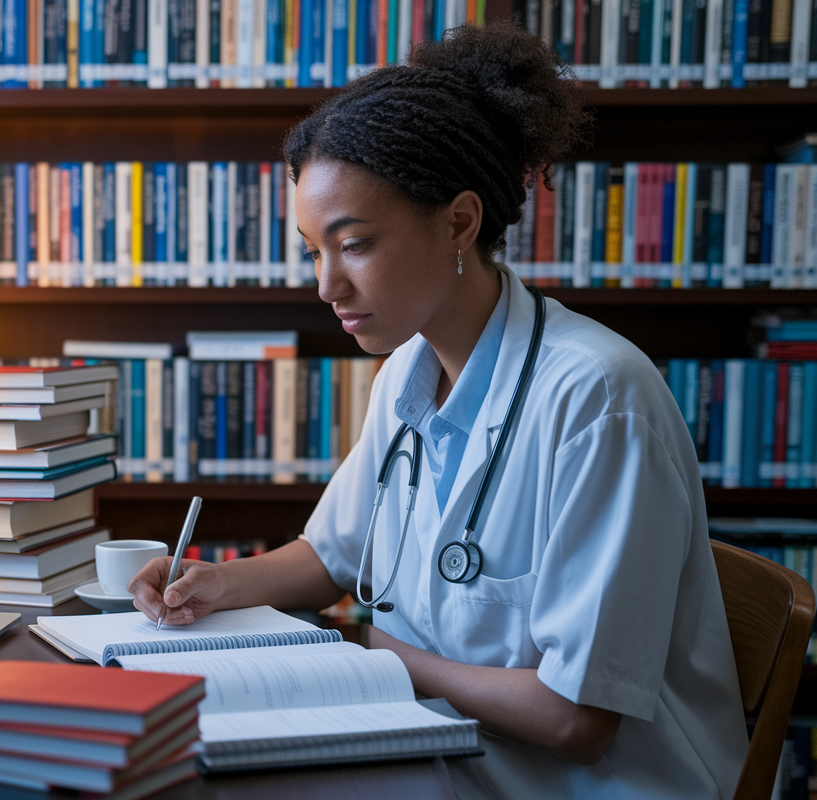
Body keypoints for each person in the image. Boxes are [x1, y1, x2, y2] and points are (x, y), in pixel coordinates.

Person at [128, 22, 748, 799]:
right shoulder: (407, 373)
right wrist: (215, 584)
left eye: (353, 244)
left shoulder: (597, 399)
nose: (326, 285)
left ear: (458, 221)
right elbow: (332, 556)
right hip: (433, 744)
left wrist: (375, 654)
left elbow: (575, 722)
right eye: (311, 250)